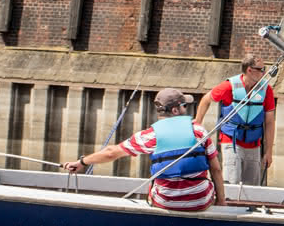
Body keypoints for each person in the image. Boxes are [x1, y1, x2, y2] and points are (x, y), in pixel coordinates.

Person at [62, 88, 222, 212]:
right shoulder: (199, 131)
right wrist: (222, 202)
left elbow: (111, 153)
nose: (186, 109)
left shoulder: (150, 136)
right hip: (200, 201)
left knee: (154, 180)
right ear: (175, 110)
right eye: (184, 106)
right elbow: (216, 169)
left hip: (166, 202)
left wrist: (82, 162)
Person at [195, 56, 275, 187]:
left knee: (252, 187)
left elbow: (270, 122)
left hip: (254, 144)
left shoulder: (266, 90)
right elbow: (206, 99)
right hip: (231, 141)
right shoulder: (229, 86)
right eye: (261, 69)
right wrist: (197, 123)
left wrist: (269, 151)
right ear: (250, 70)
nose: (264, 72)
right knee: (232, 182)